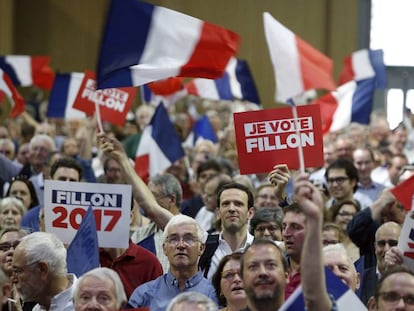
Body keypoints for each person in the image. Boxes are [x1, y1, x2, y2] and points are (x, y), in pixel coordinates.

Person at [126, 215, 218, 311]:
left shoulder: (215, 296)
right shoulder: (144, 295)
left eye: (188, 239)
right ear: (164, 249)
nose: (181, 245)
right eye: (174, 239)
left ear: (201, 248)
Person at [200, 182, 255, 280]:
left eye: (238, 204)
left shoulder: (264, 248)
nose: (231, 209)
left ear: (250, 213)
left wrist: (282, 199)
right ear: (218, 213)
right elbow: (176, 226)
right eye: (226, 204)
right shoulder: (203, 246)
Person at [11, 231, 77, 310]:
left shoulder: (85, 305)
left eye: (18, 271)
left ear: (42, 269)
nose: (13, 279)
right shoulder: (38, 308)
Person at [20, 156, 83, 232]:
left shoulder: (87, 220)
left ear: (80, 185)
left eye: (72, 181)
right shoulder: (30, 217)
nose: (67, 184)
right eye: (62, 179)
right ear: (50, 180)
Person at [360, 221, 401, 305]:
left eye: (393, 243)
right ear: (375, 247)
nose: (386, 249)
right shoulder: (360, 280)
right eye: (381, 243)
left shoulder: (411, 279)